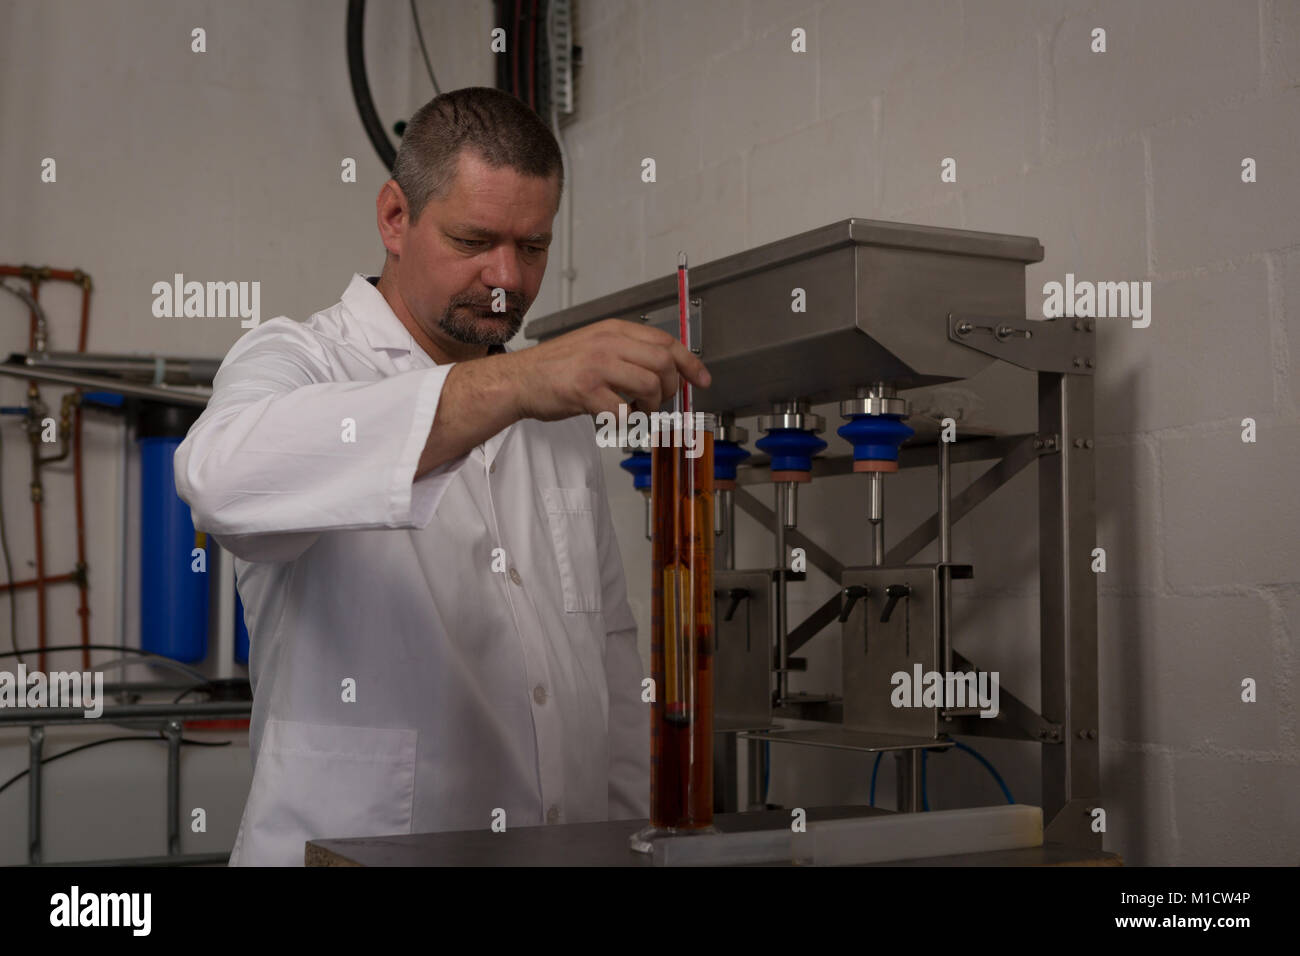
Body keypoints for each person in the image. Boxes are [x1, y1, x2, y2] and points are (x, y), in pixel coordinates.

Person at [174, 86, 711, 866]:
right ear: (396, 218)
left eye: (533, 247)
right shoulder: (300, 357)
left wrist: (635, 842)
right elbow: (219, 481)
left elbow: (608, 655)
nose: (507, 279)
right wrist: (515, 385)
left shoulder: (551, 413)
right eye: (475, 240)